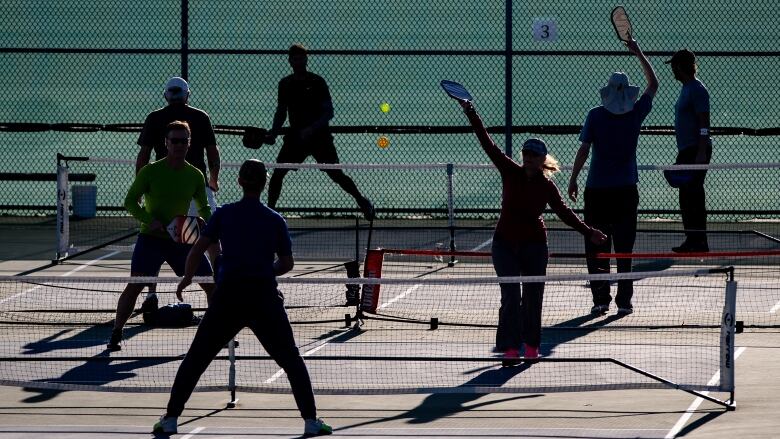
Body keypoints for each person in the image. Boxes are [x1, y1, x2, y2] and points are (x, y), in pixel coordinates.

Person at [152, 159, 332, 437]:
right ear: (264, 183)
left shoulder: (224, 214)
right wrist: (264, 270)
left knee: (196, 358)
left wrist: (188, 277)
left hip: (228, 298)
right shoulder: (274, 220)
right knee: (291, 361)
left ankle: (171, 419)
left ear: (239, 182)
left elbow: (198, 249)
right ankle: (310, 421)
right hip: (264, 298)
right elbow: (286, 263)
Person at [458, 101, 607, 361]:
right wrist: (471, 112)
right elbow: (487, 143)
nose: (527, 157)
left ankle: (531, 345)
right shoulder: (509, 170)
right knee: (511, 295)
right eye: (526, 153)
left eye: (533, 155)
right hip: (504, 243)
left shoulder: (547, 187)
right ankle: (510, 347)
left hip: (535, 246)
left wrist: (588, 231)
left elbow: (563, 212)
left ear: (542, 160)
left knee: (533, 296)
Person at [567, 38, 658, 316]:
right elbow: (654, 84)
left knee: (596, 247)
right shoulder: (636, 113)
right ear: (628, 94)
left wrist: (573, 179)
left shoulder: (595, 115)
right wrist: (639, 52)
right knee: (624, 249)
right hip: (626, 191)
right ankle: (624, 301)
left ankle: (600, 300)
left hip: (597, 191)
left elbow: (583, 150)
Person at [107, 121, 215, 351]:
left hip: (181, 238)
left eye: (183, 141)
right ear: (166, 143)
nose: (178, 145)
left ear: (189, 144)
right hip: (151, 239)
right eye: (174, 140)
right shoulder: (150, 171)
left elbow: (203, 206)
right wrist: (149, 220)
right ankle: (117, 331)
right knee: (135, 285)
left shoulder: (195, 175)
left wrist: (206, 222)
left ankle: (219, 335)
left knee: (210, 284)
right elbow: (129, 201)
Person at [136, 76, 221, 310]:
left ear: (166, 95)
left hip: (163, 191)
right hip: (196, 188)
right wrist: (213, 181)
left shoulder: (154, 118)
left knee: (155, 240)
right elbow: (213, 155)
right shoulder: (201, 117)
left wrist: (142, 190)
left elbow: (143, 157)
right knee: (210, 240)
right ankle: (217, 288)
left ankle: (150, 295)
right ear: (188, 95)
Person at [262, 44, 374, 220]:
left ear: (306, 59)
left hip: (320, 138)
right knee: (278, 173)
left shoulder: (317, 82)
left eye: (301, 58)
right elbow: (281, 111)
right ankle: (270, 213)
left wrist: (312, 129)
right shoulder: (285, 84)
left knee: (336, 174)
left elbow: (328, 112)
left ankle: (362, 201)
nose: (298, 61)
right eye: (295, 58)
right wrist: (274, 133)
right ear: (289, 61)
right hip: (295, 139)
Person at [666, 49, 712, 253]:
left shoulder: (697, 89)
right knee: (686, 195)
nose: (672, 71)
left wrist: (701, 151)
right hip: (686, 149)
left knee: (693, 193)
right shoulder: (686, 88)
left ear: (679, 67)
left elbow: (704, 123)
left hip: (695, 149)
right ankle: (692, 239)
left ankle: (699, 241)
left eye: (674, 66)